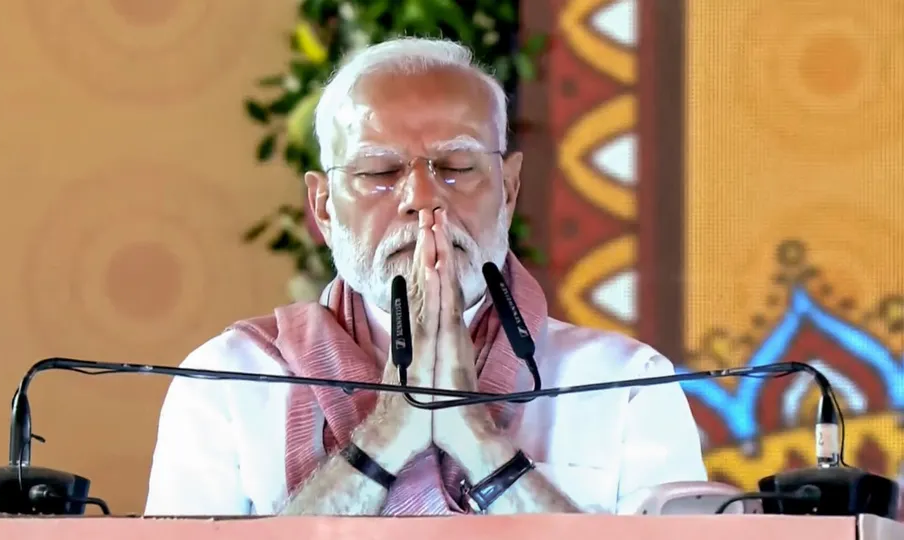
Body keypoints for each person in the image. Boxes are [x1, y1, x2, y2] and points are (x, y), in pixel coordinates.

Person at [143, 37, 706, 517]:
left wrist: (480, 443)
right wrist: (388, 433)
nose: (422, 197)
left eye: (457, 167)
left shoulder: (625, 384)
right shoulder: (229, 381)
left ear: (509, 189)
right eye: (379, 171)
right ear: (323, 207)